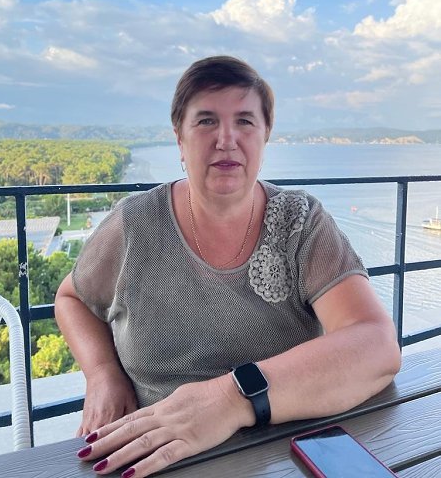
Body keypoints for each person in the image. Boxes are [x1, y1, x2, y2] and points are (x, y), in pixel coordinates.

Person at [55, 55, 401, 478]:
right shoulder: (135, 224)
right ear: (179, 138)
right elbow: (72, 298)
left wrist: (231, 399)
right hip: (152, 456)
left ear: (265, 135)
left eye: (245, 121)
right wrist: (102, 373)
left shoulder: (299, 223)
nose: (226, 139)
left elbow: (376, 344)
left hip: (282, 455)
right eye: (206, 121)